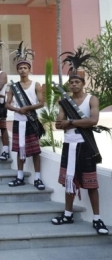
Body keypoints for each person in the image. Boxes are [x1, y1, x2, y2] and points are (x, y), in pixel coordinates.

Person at [51, 48, 109, 235]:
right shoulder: (64, 101)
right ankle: (67, 214)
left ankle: (97, 219)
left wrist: (71, 122)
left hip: (86, 145)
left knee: (91, 184)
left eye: (77, 82)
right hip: (69, 144)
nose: (74, 84)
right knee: (69, 181)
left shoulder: (92, 99)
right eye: (72, 82)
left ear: (83, 84)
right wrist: (67, 123)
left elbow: (93, 121)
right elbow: (58, 123)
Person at [5, 42, 45, 189]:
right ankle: (20, 176)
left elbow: (41, 103)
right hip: (18, 120)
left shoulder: (36, 85)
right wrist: (17, 110)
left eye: (25, 68)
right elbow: (7, 104)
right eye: (20, 68)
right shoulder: (13, 86)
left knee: (35, 150)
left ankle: (38, 178)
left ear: (29, 70)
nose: (22, 70)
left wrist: (27, 107)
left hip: (31, 120)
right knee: (19, 149)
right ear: (17, 70)